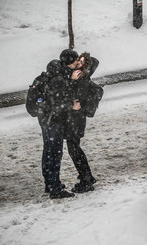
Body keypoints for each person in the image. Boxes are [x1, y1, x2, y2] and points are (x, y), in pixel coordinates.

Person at [39, 50, 83, 199]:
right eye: (75, 60)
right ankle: (55, 189)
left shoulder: (57, 72)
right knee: (54, 155)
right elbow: (57, 103)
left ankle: (49, 183)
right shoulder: (59, 78)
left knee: (48, 151)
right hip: (53, 121)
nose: (78, 62)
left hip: (45, 119)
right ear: (68, 63)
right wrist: (72, 105)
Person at [63, 52, 99, 193]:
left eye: (81, 61)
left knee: (74, 150)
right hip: (75, 118)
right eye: (78, 60)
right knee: (74, 149)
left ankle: (86, 178)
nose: (78, 62)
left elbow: (73, 95)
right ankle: (86, 176)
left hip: (75, 119)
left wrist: (72, 80)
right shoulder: (82, 75)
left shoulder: (81, 77)